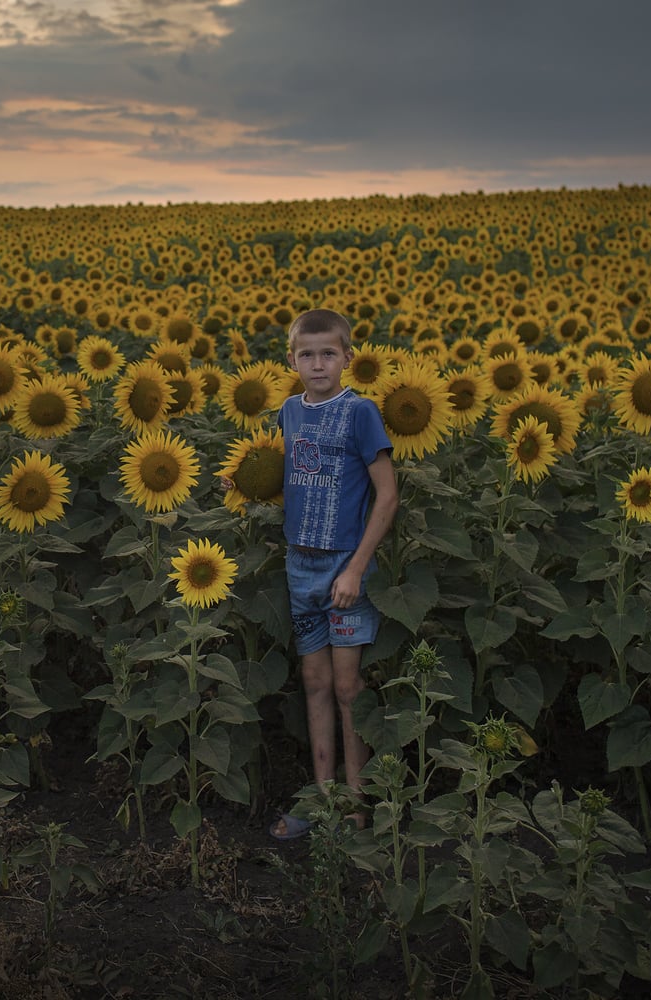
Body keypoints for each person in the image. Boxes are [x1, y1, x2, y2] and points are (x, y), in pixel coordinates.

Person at [268, 308, 399, 841]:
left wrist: (357, 569)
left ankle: (356, 805)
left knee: (348, 687)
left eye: (328, 354)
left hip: (346, 569)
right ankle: (322, 799)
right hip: (301, 565)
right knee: (314, 681)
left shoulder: (361, 412)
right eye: (307, 354)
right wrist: (246, 483)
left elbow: (387, 495)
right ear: (292, 359)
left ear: (348, 358)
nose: (317, 364)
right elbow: (295, 476)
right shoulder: (288, 411)